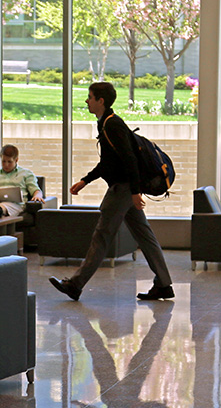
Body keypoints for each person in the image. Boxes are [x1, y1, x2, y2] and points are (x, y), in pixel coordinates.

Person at [49, 82, 174, 302]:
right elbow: (108, 162)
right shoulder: (106, 123)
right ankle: (164, 284)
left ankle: (75, 285)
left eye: (90, 97)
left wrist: (135, 192)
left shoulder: (112, 125)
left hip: (123, 189)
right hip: (125, 188)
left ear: (101, 101)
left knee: (101, 235)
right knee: (145, 236)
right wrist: (85, 180)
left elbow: (130, 160)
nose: (86, 101)